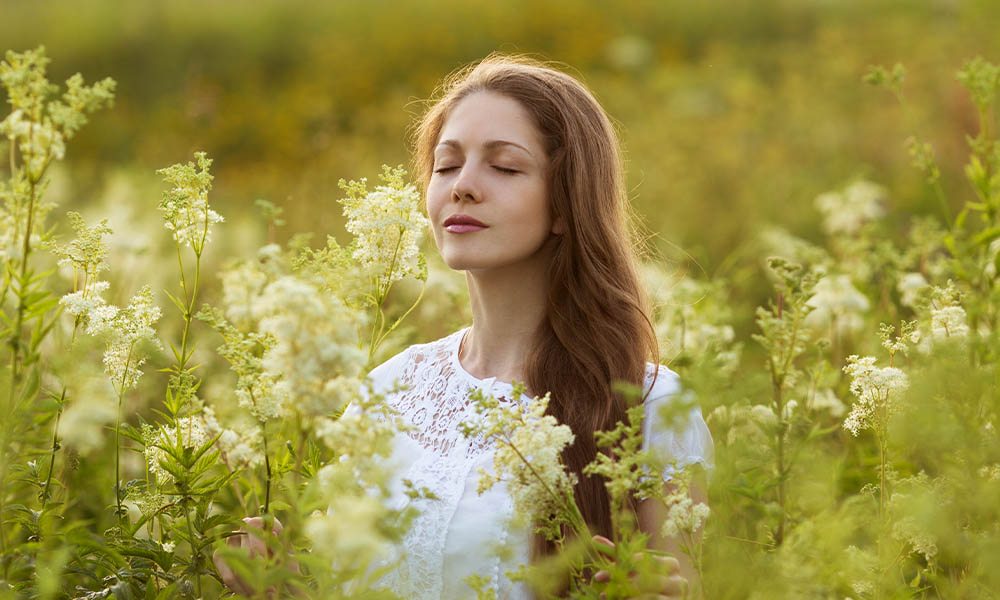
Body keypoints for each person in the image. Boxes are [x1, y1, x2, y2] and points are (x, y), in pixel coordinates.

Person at [217, 54, 713, 599]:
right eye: (446, 165)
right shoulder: (390, 390)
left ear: (566, 204)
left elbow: (679, 583)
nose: (464, 187)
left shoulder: (649, 406)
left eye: (505, 167)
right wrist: (280, 584)